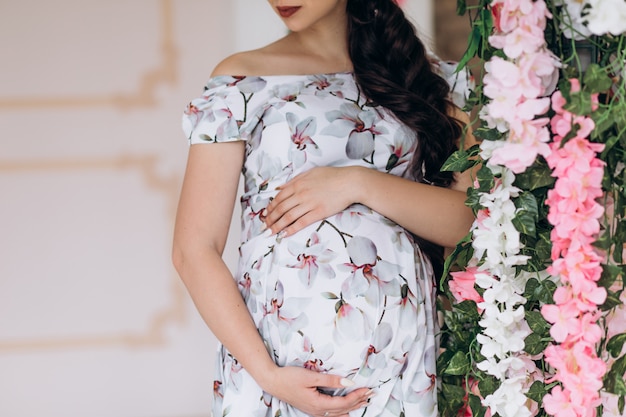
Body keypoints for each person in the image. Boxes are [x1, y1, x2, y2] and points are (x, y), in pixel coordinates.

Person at [172, 0, 476, 416]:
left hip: (402, 365)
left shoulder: (432, 80)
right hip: (283, 369)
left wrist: (356, 183)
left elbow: (466, 221)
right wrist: (269, 375)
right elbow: (193, 250)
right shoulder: (242, 81)